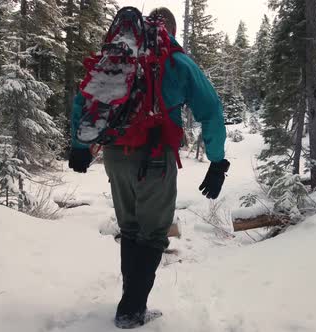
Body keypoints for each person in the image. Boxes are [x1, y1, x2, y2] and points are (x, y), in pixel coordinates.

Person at [68, 7, 229, 328]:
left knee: (130, 229)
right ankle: (131, 311)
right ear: (169, 28)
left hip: (114, 155)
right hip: (155, 157)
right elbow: (210, 109)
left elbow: (84, 99)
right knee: (154, 233)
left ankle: (132, 305)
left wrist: (80, 145)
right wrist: (217, 160)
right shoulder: (176, 60)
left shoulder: (117, 55)